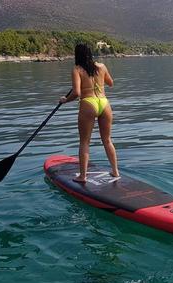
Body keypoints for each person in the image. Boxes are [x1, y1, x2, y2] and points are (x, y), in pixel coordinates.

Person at [59, 43, 119, 183]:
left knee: (84, 142)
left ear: (77, 55)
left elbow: (77, 93)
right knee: (107, 140)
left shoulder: (77, 69)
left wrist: (64, 100)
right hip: (104, 103)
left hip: (88, 104)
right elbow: (111, 83)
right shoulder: (102, 67)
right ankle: (115, 171)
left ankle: (82, 176)